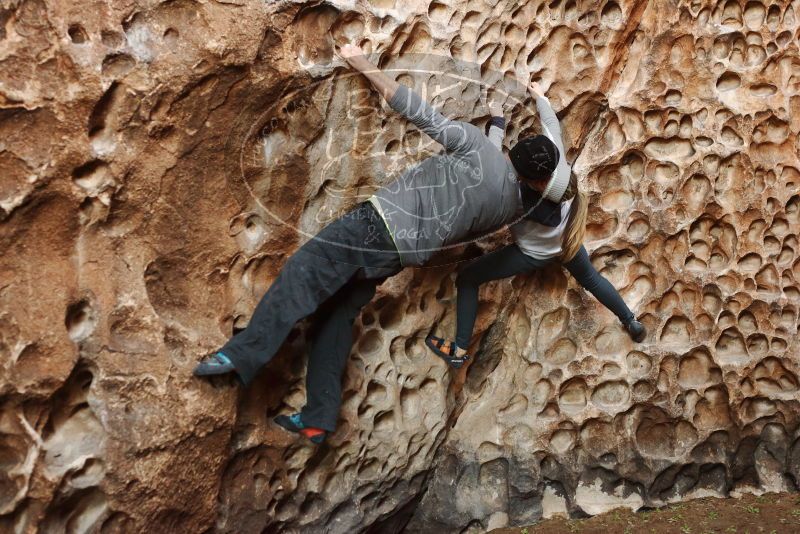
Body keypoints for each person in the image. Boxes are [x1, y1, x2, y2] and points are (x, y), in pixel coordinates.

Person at [193, 44, 545, 444]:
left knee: (302, 274)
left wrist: (361, 62)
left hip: (376, 225)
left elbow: (415, 109)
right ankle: (319, 418)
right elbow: (494, 166)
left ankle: (240, 356)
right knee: (335, 316)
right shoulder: (507, 205)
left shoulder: (475, 147)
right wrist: (496, 129)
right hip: (398, 255)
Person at [425, 81, 647, 368]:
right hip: (568, 239)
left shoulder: (513, 197)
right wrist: (539, 95)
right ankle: (630, 320)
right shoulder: (556, 166)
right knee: (591, 279)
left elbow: (489, 162)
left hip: (533, 254)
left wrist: (498, 120)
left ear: (528, 180)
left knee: (468, 278)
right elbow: (551, 125)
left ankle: (459, 350)